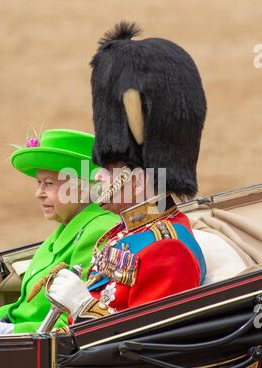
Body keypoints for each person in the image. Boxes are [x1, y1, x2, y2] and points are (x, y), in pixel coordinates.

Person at [47, 22, 208, 322]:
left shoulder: (169, 249)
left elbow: (142, 347)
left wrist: (82, 306)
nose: (98, 176)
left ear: (140, 174)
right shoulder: (118, 234)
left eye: (109, 167)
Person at [0, 128, 119, 334]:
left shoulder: (97, 231)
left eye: (49, 184)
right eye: (39, 183)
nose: (38, 193)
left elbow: (75, 320)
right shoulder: (65, 230)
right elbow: (26, 304)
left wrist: (11, 331)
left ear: (82, 188)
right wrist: (1, 314)